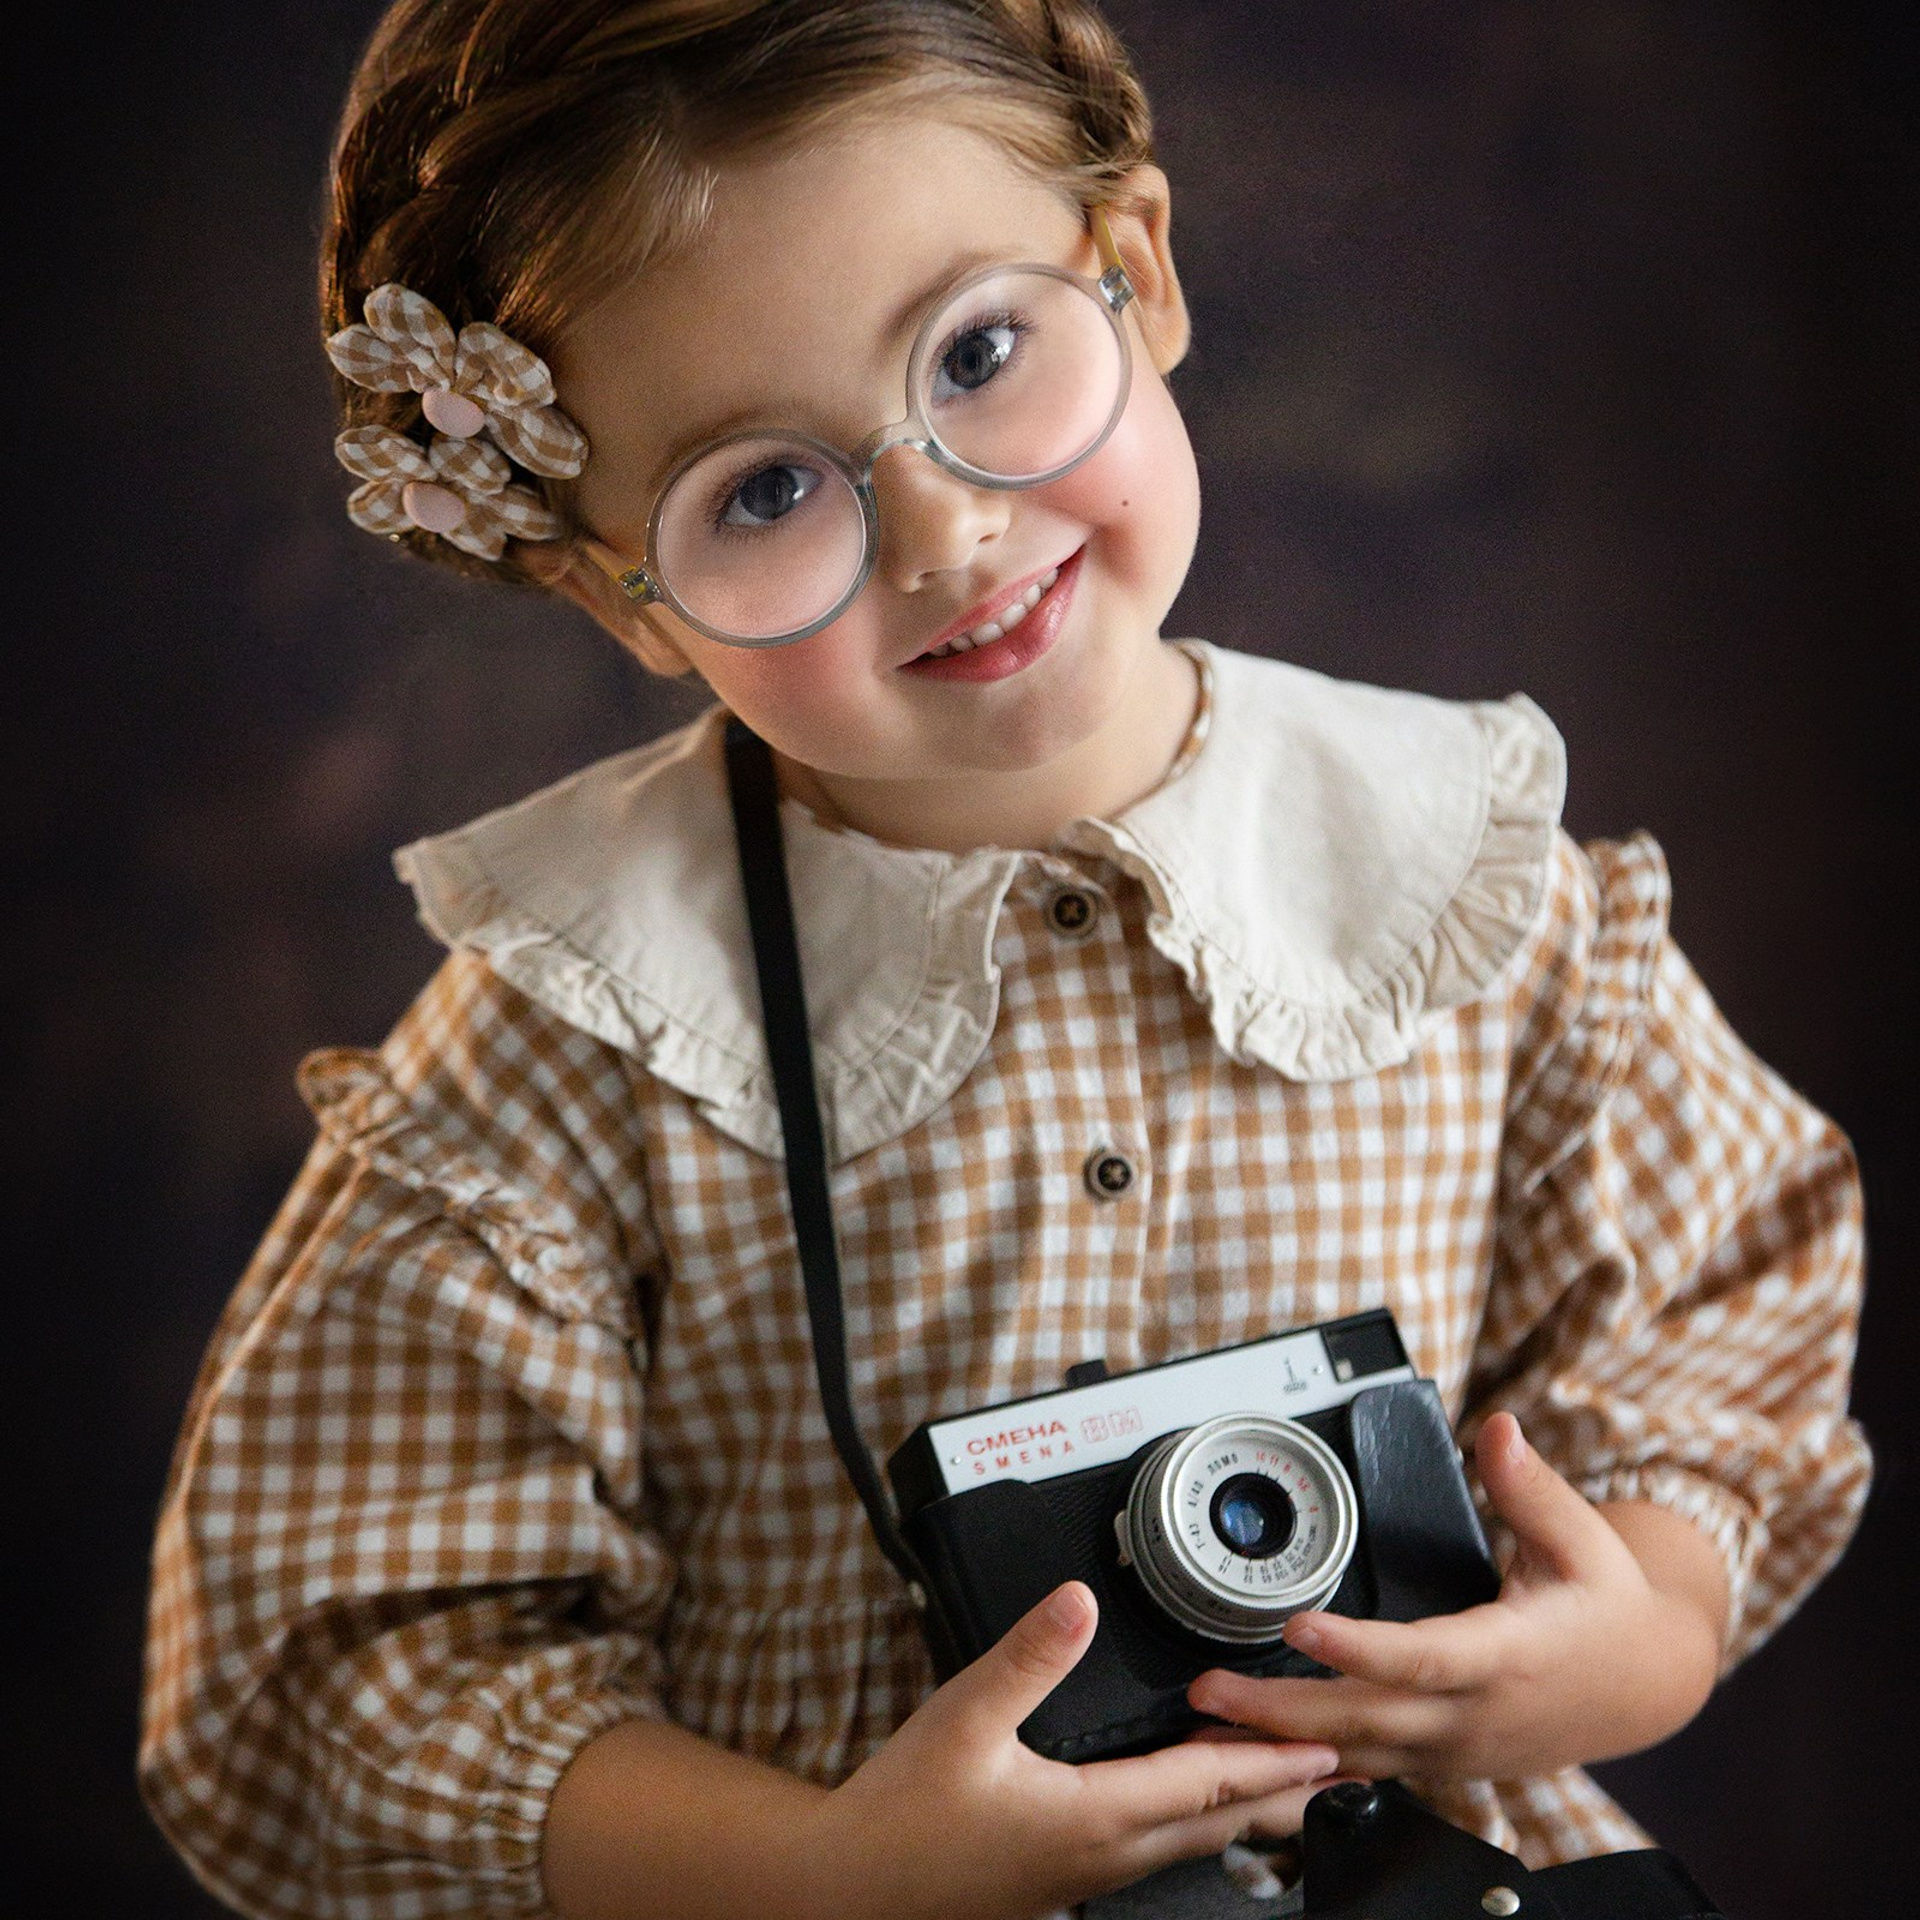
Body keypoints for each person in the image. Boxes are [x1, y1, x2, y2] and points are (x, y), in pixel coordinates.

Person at [138, 4, 1870, 1918]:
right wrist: (819, 1871)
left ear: (1137, 271)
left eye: (978, 353)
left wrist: (1633, 1642)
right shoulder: (577, 1030)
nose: (946, 534)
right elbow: (347, 1667)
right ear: (615, 590)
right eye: (764, 491)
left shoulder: (1467, 884)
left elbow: (1712, 1350)